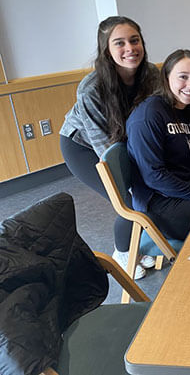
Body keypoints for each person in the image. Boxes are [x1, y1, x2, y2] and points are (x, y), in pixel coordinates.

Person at [59, 16, 159, 279]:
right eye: (120, 43)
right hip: (82, 146)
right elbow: (106, 149)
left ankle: (136, 247)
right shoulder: (90, 89)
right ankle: (122, 253)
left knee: (143, 188)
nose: (130, 48)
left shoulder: (152, 74)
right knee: (125, 198)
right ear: (107, 50)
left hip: (120, 142)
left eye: (134, 40)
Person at [126, 49, 190, 241]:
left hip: (187, 191)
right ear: (167, 77)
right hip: (160, 202)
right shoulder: (149, 115)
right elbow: (153, 176)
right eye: (183, 77)